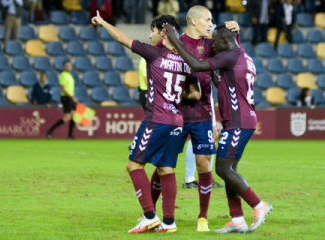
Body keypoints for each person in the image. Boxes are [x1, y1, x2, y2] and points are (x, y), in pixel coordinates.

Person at [164, 23, 272, 234]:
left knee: (222, 169)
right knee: (230, 170)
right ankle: (237, 219)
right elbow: (223, 80)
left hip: (238, 122)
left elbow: (197, 64)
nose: (213, 47)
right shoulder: (244, 56)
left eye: (215, 43)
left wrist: (176, 40)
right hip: (242, 120)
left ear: (223, 42)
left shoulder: (230, 55)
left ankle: (259, 205)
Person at [92, 12, 193, 233]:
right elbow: (194, 92)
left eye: (153, 31)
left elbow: (123, 39)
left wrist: (102, 22)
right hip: (177, 121)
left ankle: (149, 215)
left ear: (163, 33)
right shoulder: (186, 60)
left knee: (133, 165)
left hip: (156, 119)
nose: (150, 36)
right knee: (166, 168)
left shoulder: (155, 54)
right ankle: (169, 221)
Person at [149, 5, 239, 232]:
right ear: (194, 21)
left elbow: (233, 54)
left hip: (202, 115)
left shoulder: (210, 45)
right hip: (175, 114)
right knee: (163, 165)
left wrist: (236, 34)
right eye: (208, 20)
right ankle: (149, 212)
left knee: (203, 164)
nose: (211, 24)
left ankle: (203, 218)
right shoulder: (172, 41)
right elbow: (154, 58)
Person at [46, 61, 77, 139]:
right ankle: (50, 130)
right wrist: (72, 97)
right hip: (66, 98)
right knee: (67, 117)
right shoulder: (63, 75)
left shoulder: (70, 76)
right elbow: (63, 89)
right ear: (64, 67)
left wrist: (73, 97)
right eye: (66, 66)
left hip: (70, 98)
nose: (68, 67)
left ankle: (70, 135)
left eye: (69, 66)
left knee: (74, 116)